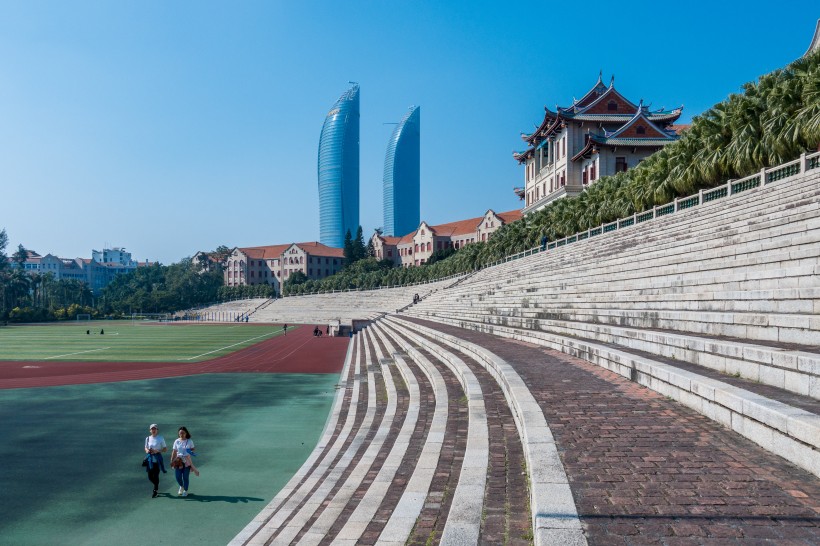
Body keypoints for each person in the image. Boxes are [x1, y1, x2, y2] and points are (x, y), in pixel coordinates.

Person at [171, 426, 199, 497]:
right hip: (178, 461)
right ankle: (181, 486)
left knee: (185, 477)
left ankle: (185, 490)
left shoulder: (189, 441)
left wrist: (189, 451)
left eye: (183, 433)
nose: (182, 434)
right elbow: (174, 451)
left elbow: (193, 449)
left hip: (187, 461)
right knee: (178, 476)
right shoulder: (176, 441)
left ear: (186, 433)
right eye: (180, 433)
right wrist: (172, 460)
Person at [144, 424, 167, 498]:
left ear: (157, 430)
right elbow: (146, 447)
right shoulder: (147, 438)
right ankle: (156, 485)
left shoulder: (160, 438)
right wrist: (147, 450)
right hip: (150, 460)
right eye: (152, 429)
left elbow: (165, 449)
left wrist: (157, 451)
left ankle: (155, 490)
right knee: (150, 477)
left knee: (156, 475)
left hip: (157, 460)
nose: (153, 430)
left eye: (155, 429)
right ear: (150, 430)